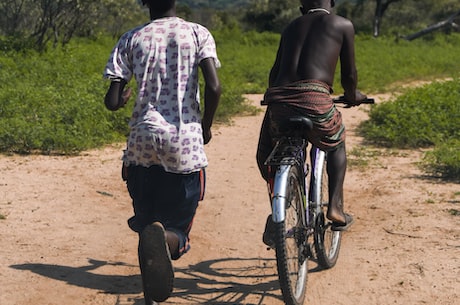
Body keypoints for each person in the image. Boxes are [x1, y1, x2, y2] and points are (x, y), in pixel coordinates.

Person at [103, 0, 221, 303]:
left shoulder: (131, 38)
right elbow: (214, 87)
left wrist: (126, 95)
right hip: (182, 142)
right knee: (176, 225)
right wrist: (205, 126)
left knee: (148, 215)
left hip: (142, 140)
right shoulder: (197, 33)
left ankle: (150, 232)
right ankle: (168, 239)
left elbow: (113, 101)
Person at [257, 0, 367, 245]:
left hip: (280, 103)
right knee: (336, 141)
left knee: (269, 152)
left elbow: (274, 74)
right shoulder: (342, 24)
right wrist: (353, 95)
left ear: (301, 7)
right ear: (333, 2)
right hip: (314, 99)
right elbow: (349, 75)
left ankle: (279, 206)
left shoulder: (291, 27)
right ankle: (336, 206)